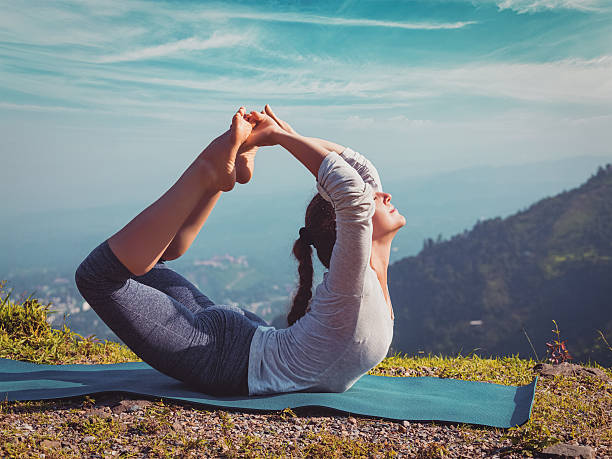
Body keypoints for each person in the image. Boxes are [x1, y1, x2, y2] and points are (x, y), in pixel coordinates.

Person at [74, 105, 406, 396]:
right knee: (105, 275)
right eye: (375, 197)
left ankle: (215, 179)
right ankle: (208, 173)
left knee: (129, 268)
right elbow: (356, 182)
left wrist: (281, 136)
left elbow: (357, 183)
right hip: (228, 353)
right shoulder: (356, 281)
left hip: (234, 346)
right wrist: (284, 136)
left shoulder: (356, 279)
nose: (384, 194)